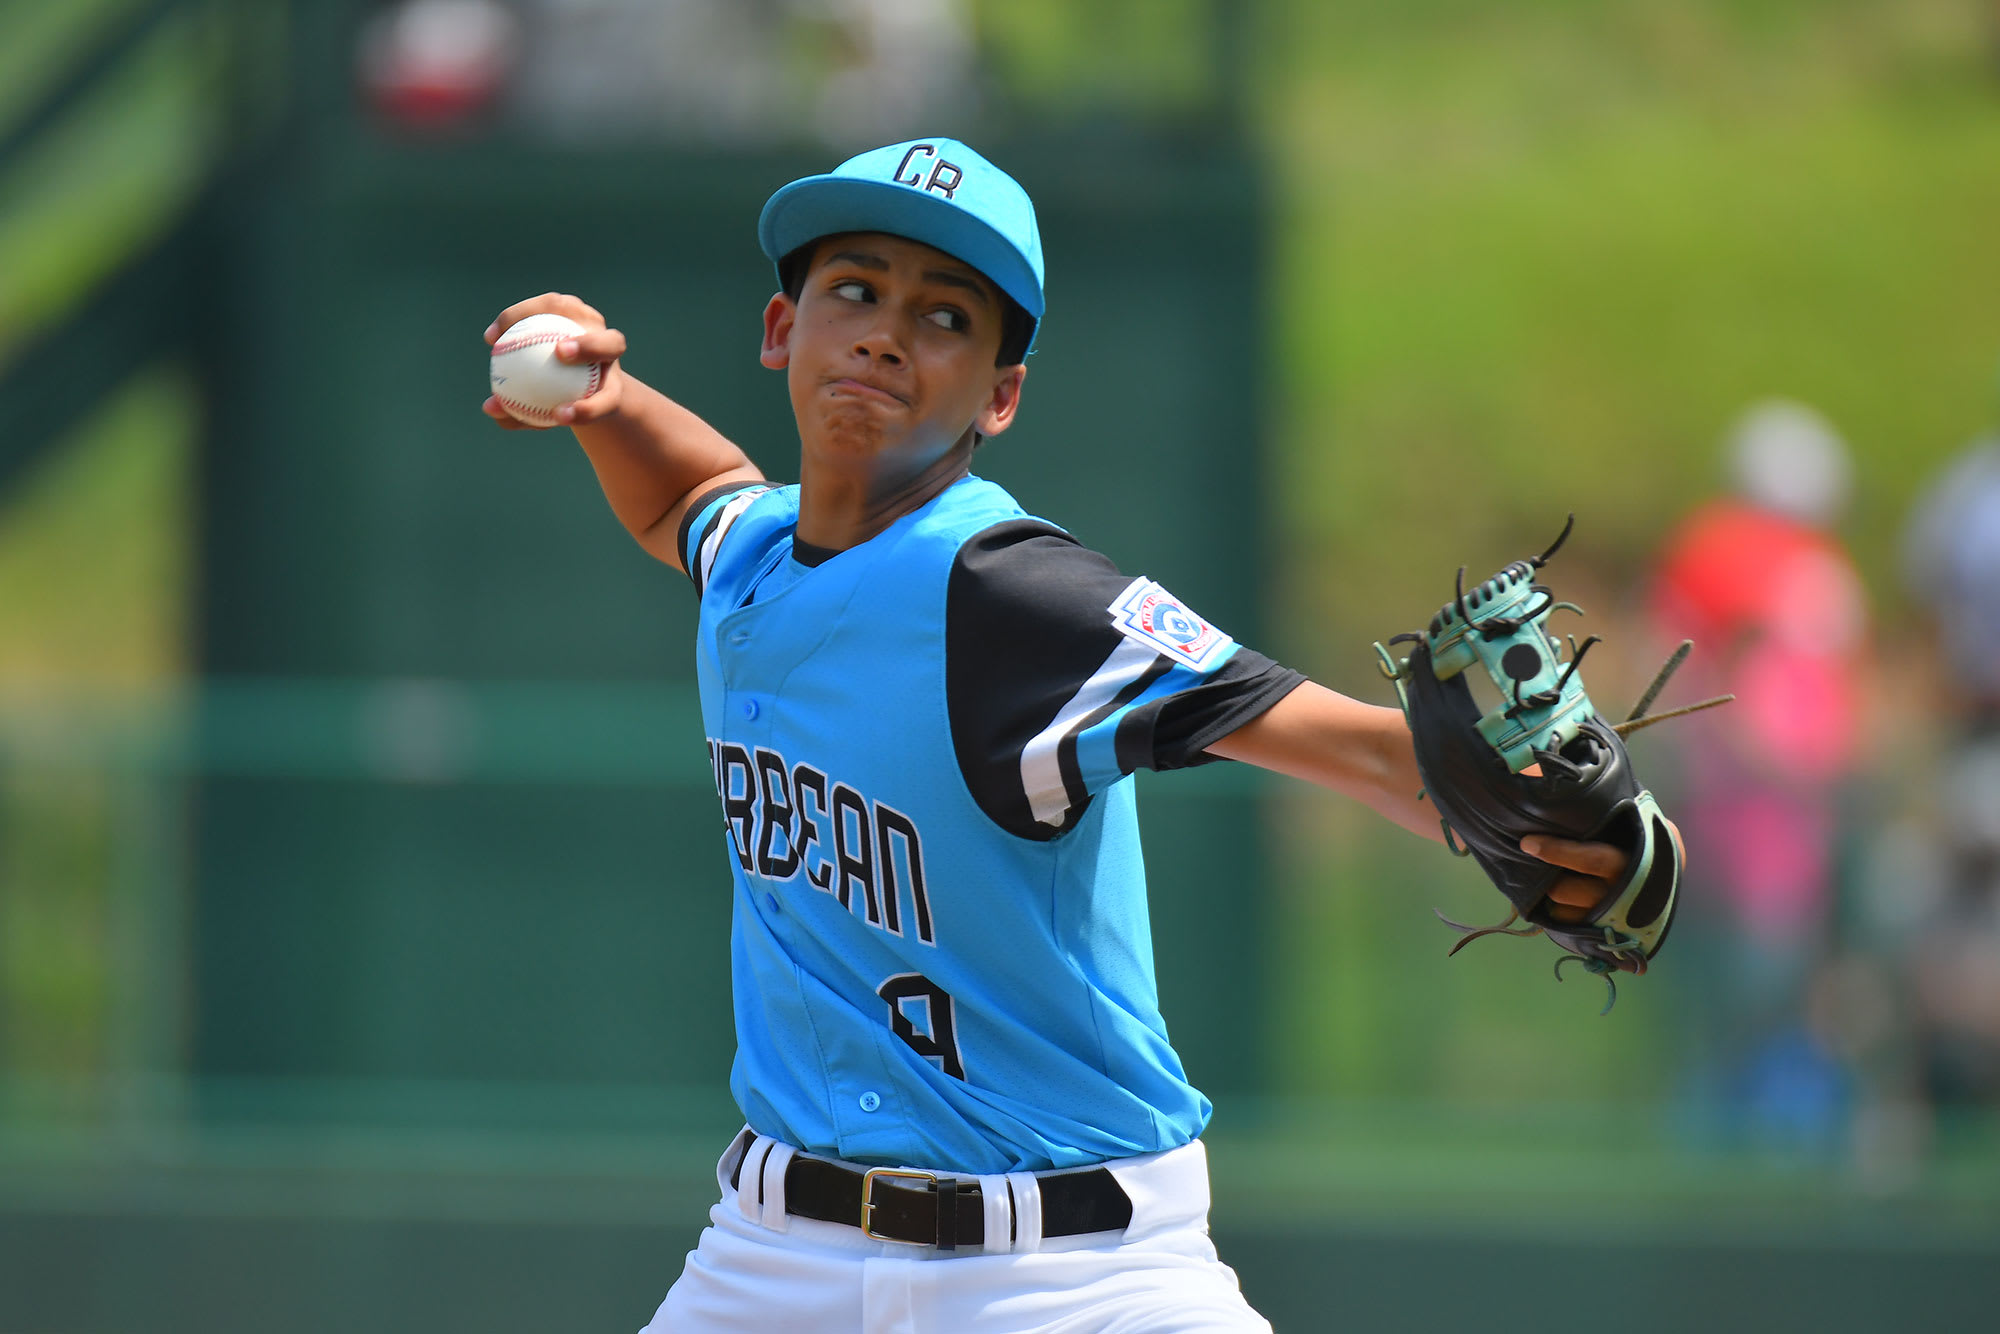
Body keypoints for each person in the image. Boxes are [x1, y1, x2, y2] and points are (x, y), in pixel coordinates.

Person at [480, 138, 1635, 1333]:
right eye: (855, 290)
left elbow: (1340, 741)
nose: (883, 333)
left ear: (999, 396)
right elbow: (691, 500)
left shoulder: (1010, 591)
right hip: (773, 1263)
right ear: (782, 328)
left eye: (942, 316)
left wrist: (1548, 832)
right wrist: (607, 406)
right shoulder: (757, 559)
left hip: (1073, 1276)